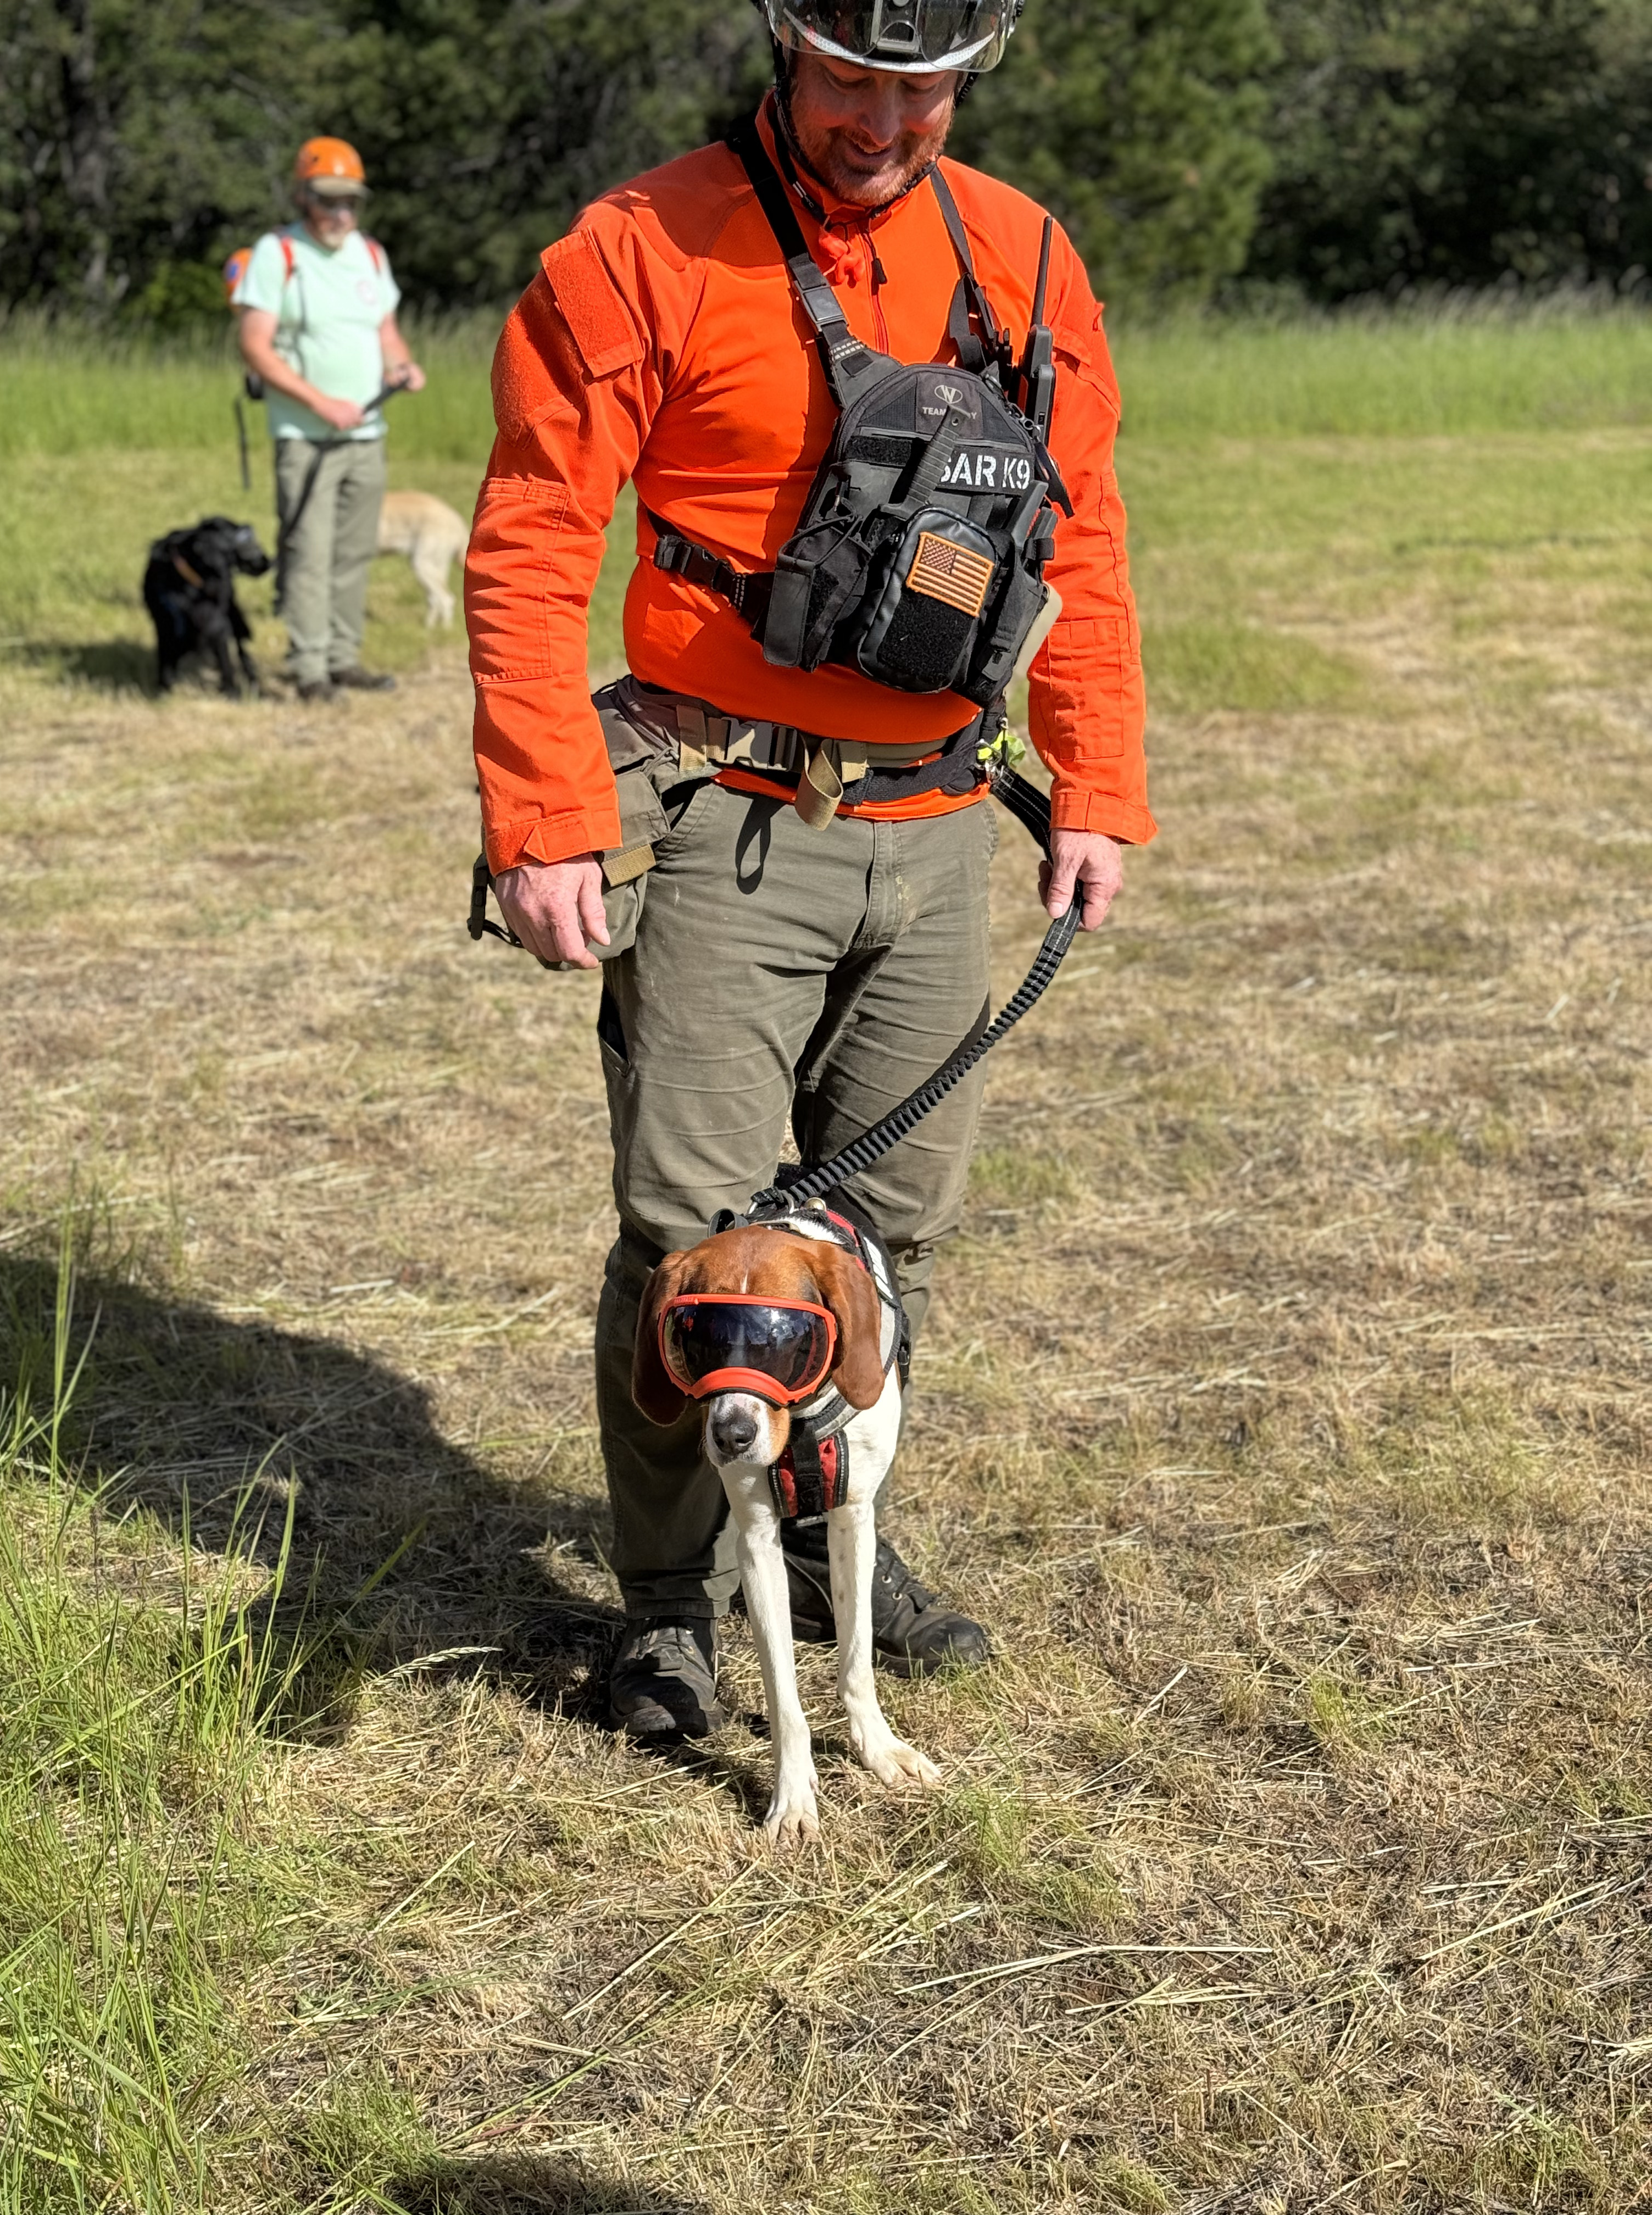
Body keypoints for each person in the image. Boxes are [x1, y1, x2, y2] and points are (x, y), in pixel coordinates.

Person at [464, 0, 1154, 1737]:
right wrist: (549, 814)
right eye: (847, 72)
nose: (878, 116)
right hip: (722, 817)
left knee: (886, 1225)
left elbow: (1081, 532)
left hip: (936, 827)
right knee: (694, 1236)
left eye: (917, 83)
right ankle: (665, 1603)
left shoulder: (1025, 255)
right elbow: (535, 541)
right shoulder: (637, 249)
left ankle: (838, 1526)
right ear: (784, 50)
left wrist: (1100, 780)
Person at [235, 137, 426, 702]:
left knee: (354, 549)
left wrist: (403, 365)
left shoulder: (369, 254)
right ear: (302, 196)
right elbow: (254, 344)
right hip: (306, 436)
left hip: (367, 434)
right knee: (309, 551)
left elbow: (385, 331)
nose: (340, 214)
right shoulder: (278, 255)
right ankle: (309, 668)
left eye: (350, 202)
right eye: (328, 201)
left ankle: (343, 658)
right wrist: (321, 403)